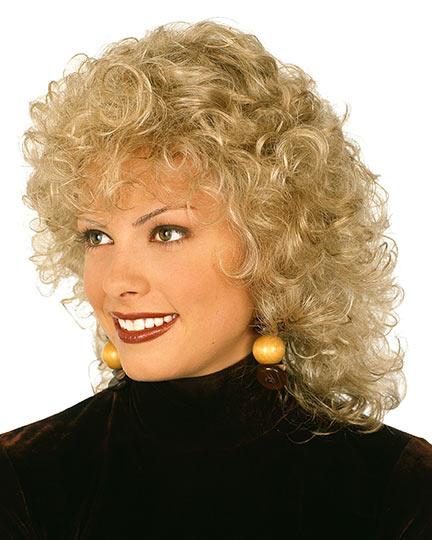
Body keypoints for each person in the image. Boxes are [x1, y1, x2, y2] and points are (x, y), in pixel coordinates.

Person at [0, 19, 431, 539]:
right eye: (97, 236)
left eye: (166, 232)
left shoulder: (397, 490)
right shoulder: (25, 480)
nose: (116, 282)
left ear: (272, 245)